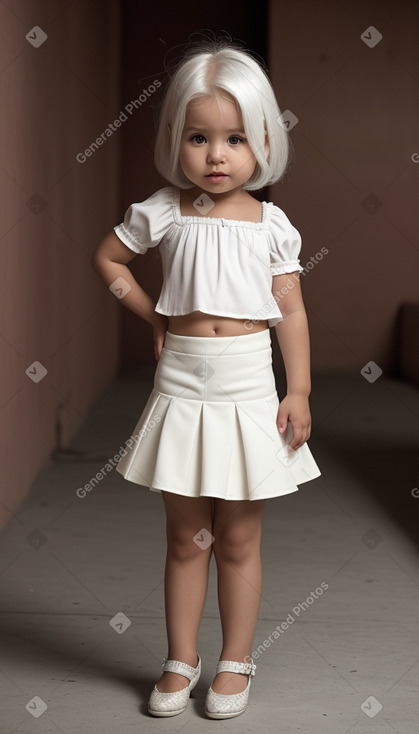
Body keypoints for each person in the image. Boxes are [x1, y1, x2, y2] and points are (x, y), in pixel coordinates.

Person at [91, 38, 321, 720]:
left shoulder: (272, 225)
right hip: (184, 385)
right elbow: (109, 262)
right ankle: (178, 658)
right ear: (175, 140)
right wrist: (152, 319)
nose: (216, 155)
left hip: (248, 385)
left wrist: (299, 388)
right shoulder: (162, 210)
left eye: (235, 139)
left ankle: (235, 661)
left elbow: (290, 310)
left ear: (263, 144)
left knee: (239, 536)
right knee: (185, 536)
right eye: (199, 137)